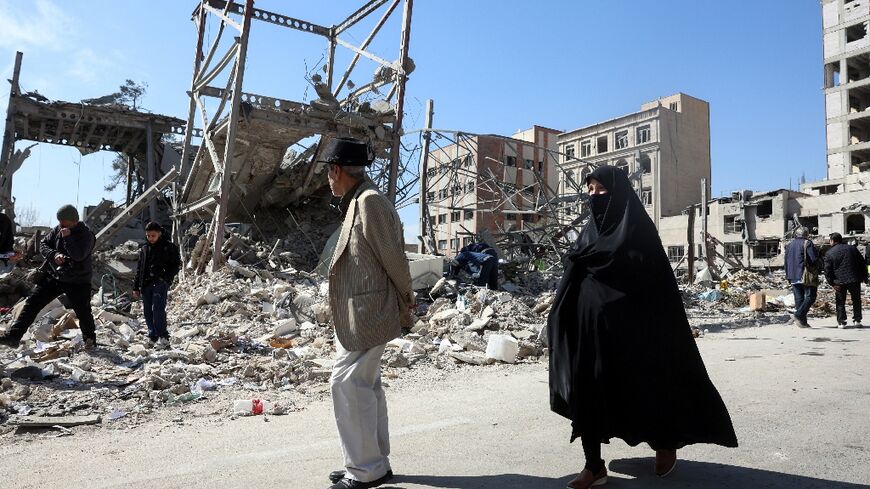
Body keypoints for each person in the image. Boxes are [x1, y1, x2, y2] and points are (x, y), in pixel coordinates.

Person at [547, 166, 737, 489]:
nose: (594, 198)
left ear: (618, 193)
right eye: (589, 192)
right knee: (589, 394)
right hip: (591, 340)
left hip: (636, 339)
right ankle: (593, 466)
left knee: (648, 390)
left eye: (600, 191)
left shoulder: (640, 234)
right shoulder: (588, 235)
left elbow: (658, 294)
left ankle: (665, 444)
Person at [322, 138, 414, 489]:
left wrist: (407, 300)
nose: (328, 180)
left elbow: (393, 258)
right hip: (357, 312)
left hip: (368, 310)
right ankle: (372, 462)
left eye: (329, 173)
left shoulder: (370, 202)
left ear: (337, 170)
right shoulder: (359, 200)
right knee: (365, 384)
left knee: (347, 384)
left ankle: (365, 470)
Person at [0, 205, 97, 349]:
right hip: (55, 276)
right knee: (32, 304)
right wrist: (54, 255)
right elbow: (44, 245)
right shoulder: (57, 230)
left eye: (64, 221)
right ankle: (14, 336)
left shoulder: (86, 234)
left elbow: (79, 255)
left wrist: (68, 238)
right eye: (59, 221)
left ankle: (89, 340)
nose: (60, 224)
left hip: (78, 280)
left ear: (73, 221)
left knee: (83, 312)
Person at [132, 221, 181, 347]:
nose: (150, 238)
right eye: (148, 236)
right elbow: (140, 269)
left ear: (159, 234)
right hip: (146, 284)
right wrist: (136, 287)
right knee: (147, 311)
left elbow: (176, 265)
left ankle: (163, 337)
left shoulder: (168, 247)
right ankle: (152, 336)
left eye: (153, 235)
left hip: (160, 283)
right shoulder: (144, 248)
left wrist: (166, 278)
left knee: (158, 310)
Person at [823, 233, 867, 328]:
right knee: (856, 300)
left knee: (840, 302)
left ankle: (842, 322)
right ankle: (857, 320)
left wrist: (832, 283)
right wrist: (865, 277)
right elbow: (862, 263)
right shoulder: (852, 249)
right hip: (854, 279)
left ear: (832, 241)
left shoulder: (829, 253)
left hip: (839, 282)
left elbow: (827, 270)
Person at [783, 227, 820, 328]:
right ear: (806, 234)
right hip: (805, 274)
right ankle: (798, 315)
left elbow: (785, 262)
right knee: (811, 297)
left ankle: (802, 322)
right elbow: (813, 259)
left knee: (799, 299)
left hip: (792, 275)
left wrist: (788, 275)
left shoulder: (789, 245)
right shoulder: (807, 243)